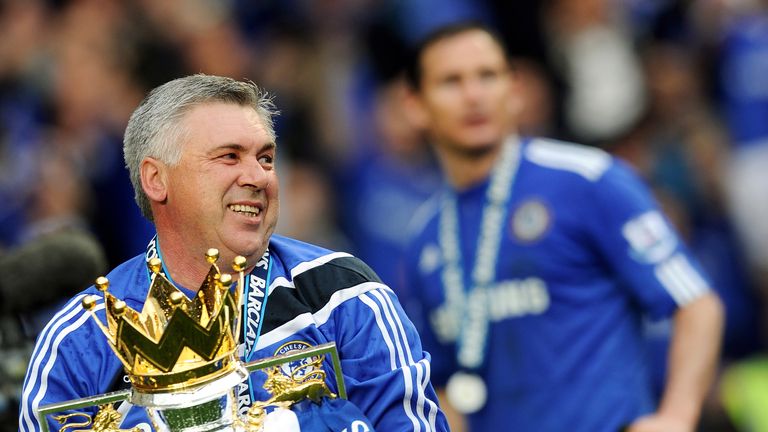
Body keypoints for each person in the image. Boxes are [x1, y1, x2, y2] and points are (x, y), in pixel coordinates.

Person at [19, 74, 448, 432]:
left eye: (266, 158)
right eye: (229, 157)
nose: (258, 177)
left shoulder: (343, 297)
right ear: (156, 179)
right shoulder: (83, 337)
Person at [401, 22, 724, 432]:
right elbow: (441, 381)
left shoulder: (589, 180)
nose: (474, 95)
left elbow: (696, 303)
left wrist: (677, 417)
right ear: (414, 104)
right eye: (451, 81)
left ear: (515, 90)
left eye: (488, 76)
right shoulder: (423, 238)